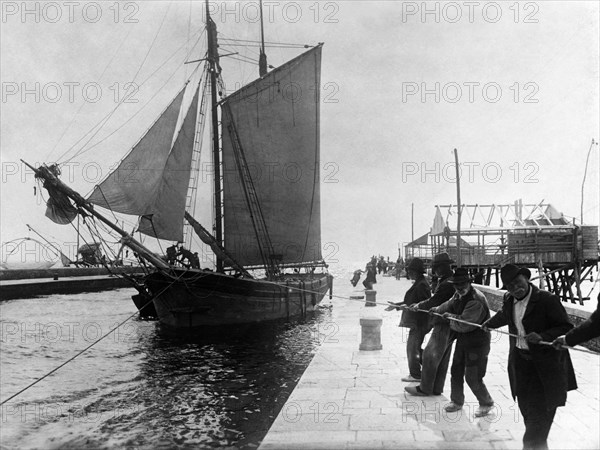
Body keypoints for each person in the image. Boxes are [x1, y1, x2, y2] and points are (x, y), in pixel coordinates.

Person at [483, 264, 577, 450]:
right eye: (510, 286)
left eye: (518, 283)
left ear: (527, 279)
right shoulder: (509, 299)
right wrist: (489, 324)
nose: (516, 288)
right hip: (521, 366)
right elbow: (505, 315)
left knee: (535, 427)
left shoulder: (547, 300)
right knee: (529, 418)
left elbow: (566, 327)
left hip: (545, 369)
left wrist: (543, 336)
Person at [431, 267, 494, 417]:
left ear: (469, 283)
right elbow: (448, 304)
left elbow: (464, 324)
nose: (460, 288)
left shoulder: (475, 300)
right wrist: (437, 309)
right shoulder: (458, 294)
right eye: (457, 285)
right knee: (456, 370)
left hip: (477, 342)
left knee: (473, 376)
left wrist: (449, 316)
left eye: (463, 285)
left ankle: (486, 402)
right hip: (463, 339)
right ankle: (456, 401)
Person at [404, 252, 456, 396]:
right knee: (443, 358)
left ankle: (425, 388)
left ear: (445, 266)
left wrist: (419, 305)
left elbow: (434, 301)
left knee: (429, 355)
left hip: (443, 323)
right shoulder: (448, 280)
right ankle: (437, 388)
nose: (436, 271)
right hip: (450, 323)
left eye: (438, 267)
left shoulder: (447, 283)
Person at [388, 258, 432, 382]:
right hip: (417, 322)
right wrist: (396, 305)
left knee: (412, 348)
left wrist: (411, 308)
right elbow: (411, 302)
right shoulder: (419, 282)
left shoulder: (422, 284)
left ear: (415, 271)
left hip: (420, 322)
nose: (408, 273)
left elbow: (424, 304)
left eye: (410, 271)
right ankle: (430, 365)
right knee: (414, 348)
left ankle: (418, 374)